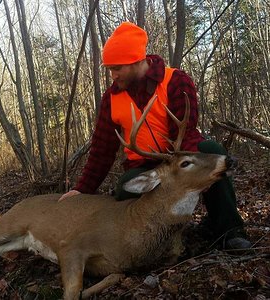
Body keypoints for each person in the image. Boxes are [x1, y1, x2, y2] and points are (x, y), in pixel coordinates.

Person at [60, 22, 251, 250]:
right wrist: (82, 189)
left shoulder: (176, 81)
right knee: (125, 188)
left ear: (137, 61)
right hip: (144, 165)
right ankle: (150, 242)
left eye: (117, 68)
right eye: (110, 68)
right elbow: (101, 150)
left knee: (214, 153)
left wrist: (197, 170)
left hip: (179, 156)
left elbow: (187, 132)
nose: (113, 75)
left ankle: (228, 230)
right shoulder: (111, 99)